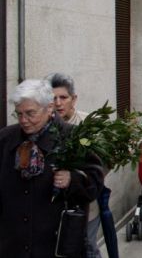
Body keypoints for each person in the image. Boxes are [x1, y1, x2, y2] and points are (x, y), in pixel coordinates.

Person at [0, 79, 104, 257]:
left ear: (49, 108)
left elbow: (95, 181)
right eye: (19, 114)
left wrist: (73, 179)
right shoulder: (6, 138)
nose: (24, 120)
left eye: (30, 113)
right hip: (13, 243)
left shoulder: (73, 137)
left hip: (56, 243)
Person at [47, 72, 107, 258]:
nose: (58, 103)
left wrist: (76, 176)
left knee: (87, 246)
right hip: (53, 206)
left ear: (74, 99)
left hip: (85, 204)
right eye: (53, 98)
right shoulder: (44, 126)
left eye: (63, 98)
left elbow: (102, 164)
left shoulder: (88, 125)